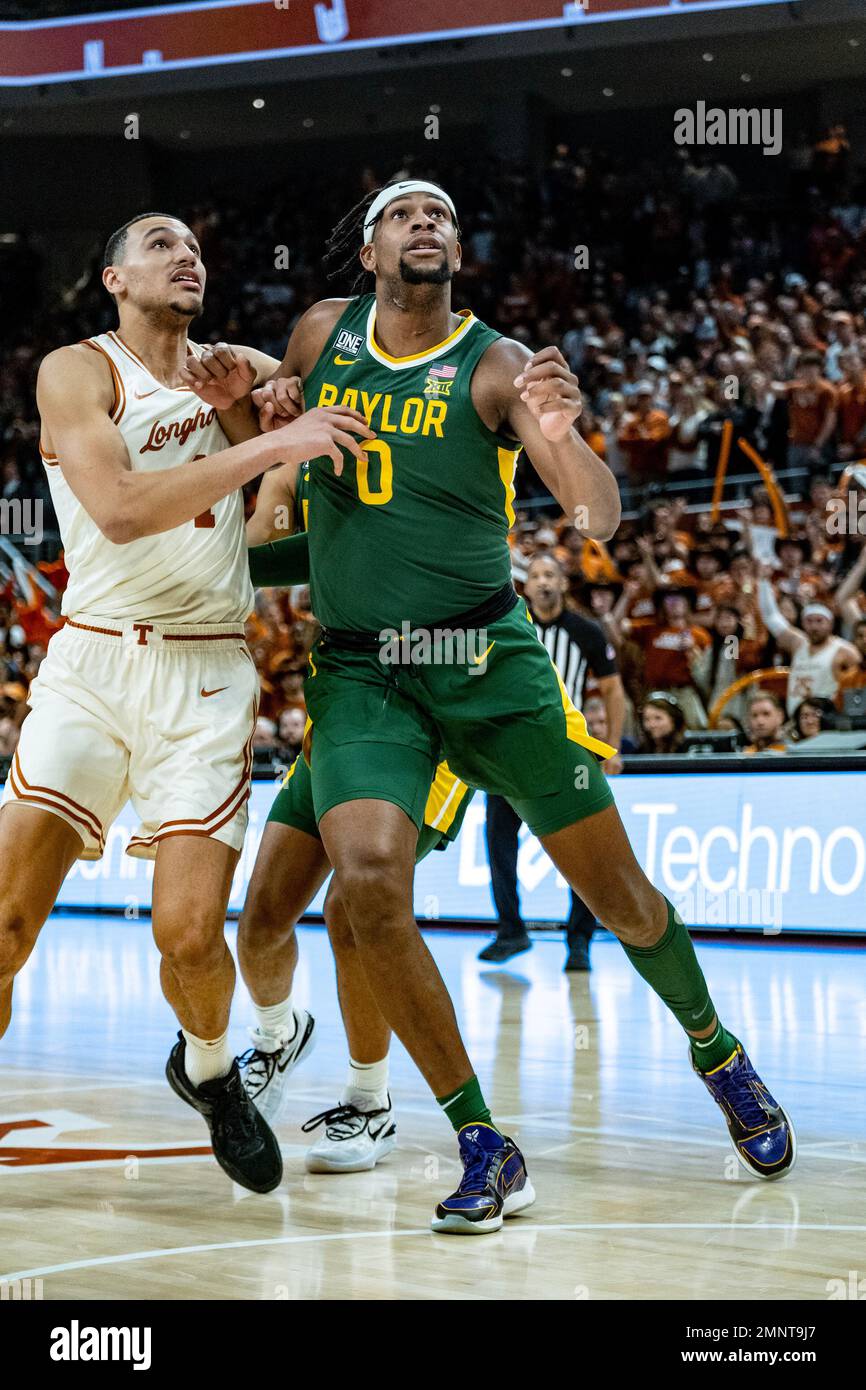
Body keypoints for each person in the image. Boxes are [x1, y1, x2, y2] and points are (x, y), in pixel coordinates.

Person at [190, 179, 795, 1233]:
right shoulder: (324, 333)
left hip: (486, 660)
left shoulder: (499, 366)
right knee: (366, 885)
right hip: (366, 674)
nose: (426, 224)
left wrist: (560, 433)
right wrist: (249, 402)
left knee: (623, 902)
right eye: (404, 214)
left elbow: (597, 513)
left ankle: (717, 1051)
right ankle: (480, 1137)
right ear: (369, 247)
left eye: (442, 218)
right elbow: (276, 440)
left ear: (456, 255)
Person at [0, 211, 372, 1194]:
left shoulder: (240, 369)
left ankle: (209, 1069)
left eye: (196, 246)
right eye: (161, 243)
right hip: (90, 664)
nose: (187, 254)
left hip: (205, 670)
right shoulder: (77, 372)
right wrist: (265, 440)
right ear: (115, 277)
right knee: (3, 922)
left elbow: (277, 515)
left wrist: (268, 428)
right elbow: (119, 512)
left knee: (189, 933)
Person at [480, 551, 625, 971]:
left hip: (565, 750)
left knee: (580, 850)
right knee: (499, 846)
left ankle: (578, 940)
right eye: (536, 575)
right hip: (506, 750)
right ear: (524, 586)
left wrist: (611, 745)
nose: (543, 582)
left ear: (563, 584)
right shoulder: (506, 626)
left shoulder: (586, 631)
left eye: (551, 575)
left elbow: (613, 691)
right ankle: (511, 930)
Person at [757, 569, 860, 714]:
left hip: (826, 721)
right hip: (796, 720)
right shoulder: (798, 643)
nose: (814, 626)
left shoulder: (845, 651)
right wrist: (763, 582)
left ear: (830, 624)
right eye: (809, 621)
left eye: (819, 621)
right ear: (803, 623)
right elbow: (771, 617)